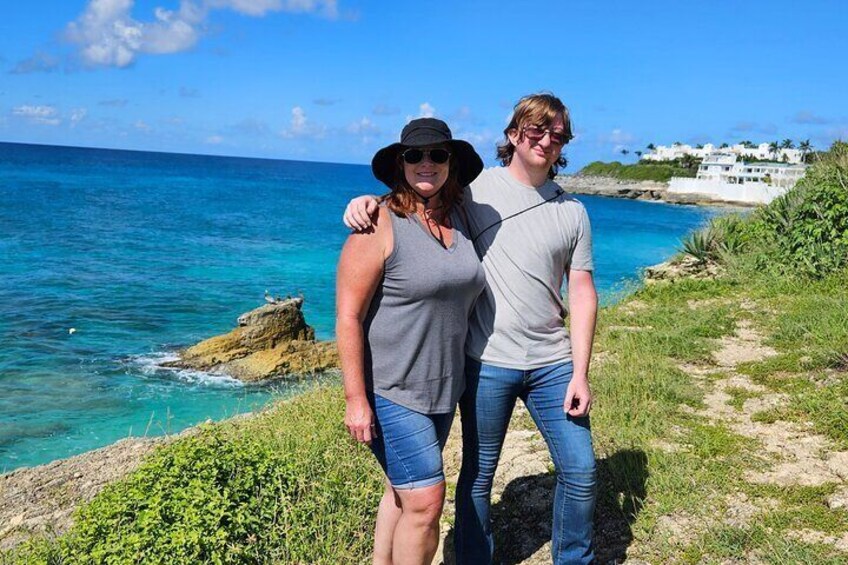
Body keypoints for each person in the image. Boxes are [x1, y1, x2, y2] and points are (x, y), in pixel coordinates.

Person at [344, 93, 598, 565]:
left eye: (558, 134)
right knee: (471, 480)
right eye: (536, 130)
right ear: (513, 135)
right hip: (482, 362)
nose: (546, 140)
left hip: (545, 362)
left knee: (581, 472)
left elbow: (581, 291)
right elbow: (413, 205)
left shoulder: (572, 212)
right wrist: (365, 203)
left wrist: (581, 371)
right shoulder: (475, 194)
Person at [336, 117, 486, 565]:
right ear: (400, 164)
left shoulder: (459, 216)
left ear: (451, 163)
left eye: (438, 154)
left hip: (443, 387)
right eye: (414, 155)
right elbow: (347, 316)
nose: (426, 163)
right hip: (392, 390)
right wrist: (354, 399)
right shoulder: (378, 222)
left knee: (400, 492)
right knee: (425, 502)